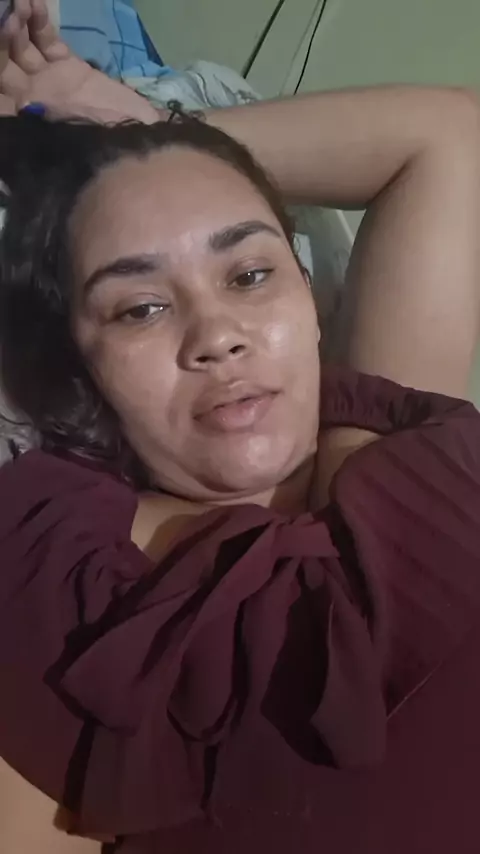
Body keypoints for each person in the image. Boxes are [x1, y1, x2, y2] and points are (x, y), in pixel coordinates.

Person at [0, 2, 480, 853]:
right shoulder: (49, 588)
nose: (218, 335)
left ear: (307, 297)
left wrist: (135, 130)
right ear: (78, 366)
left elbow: (450, 136)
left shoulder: (415, 453)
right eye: (141, 307)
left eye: (251, 274)